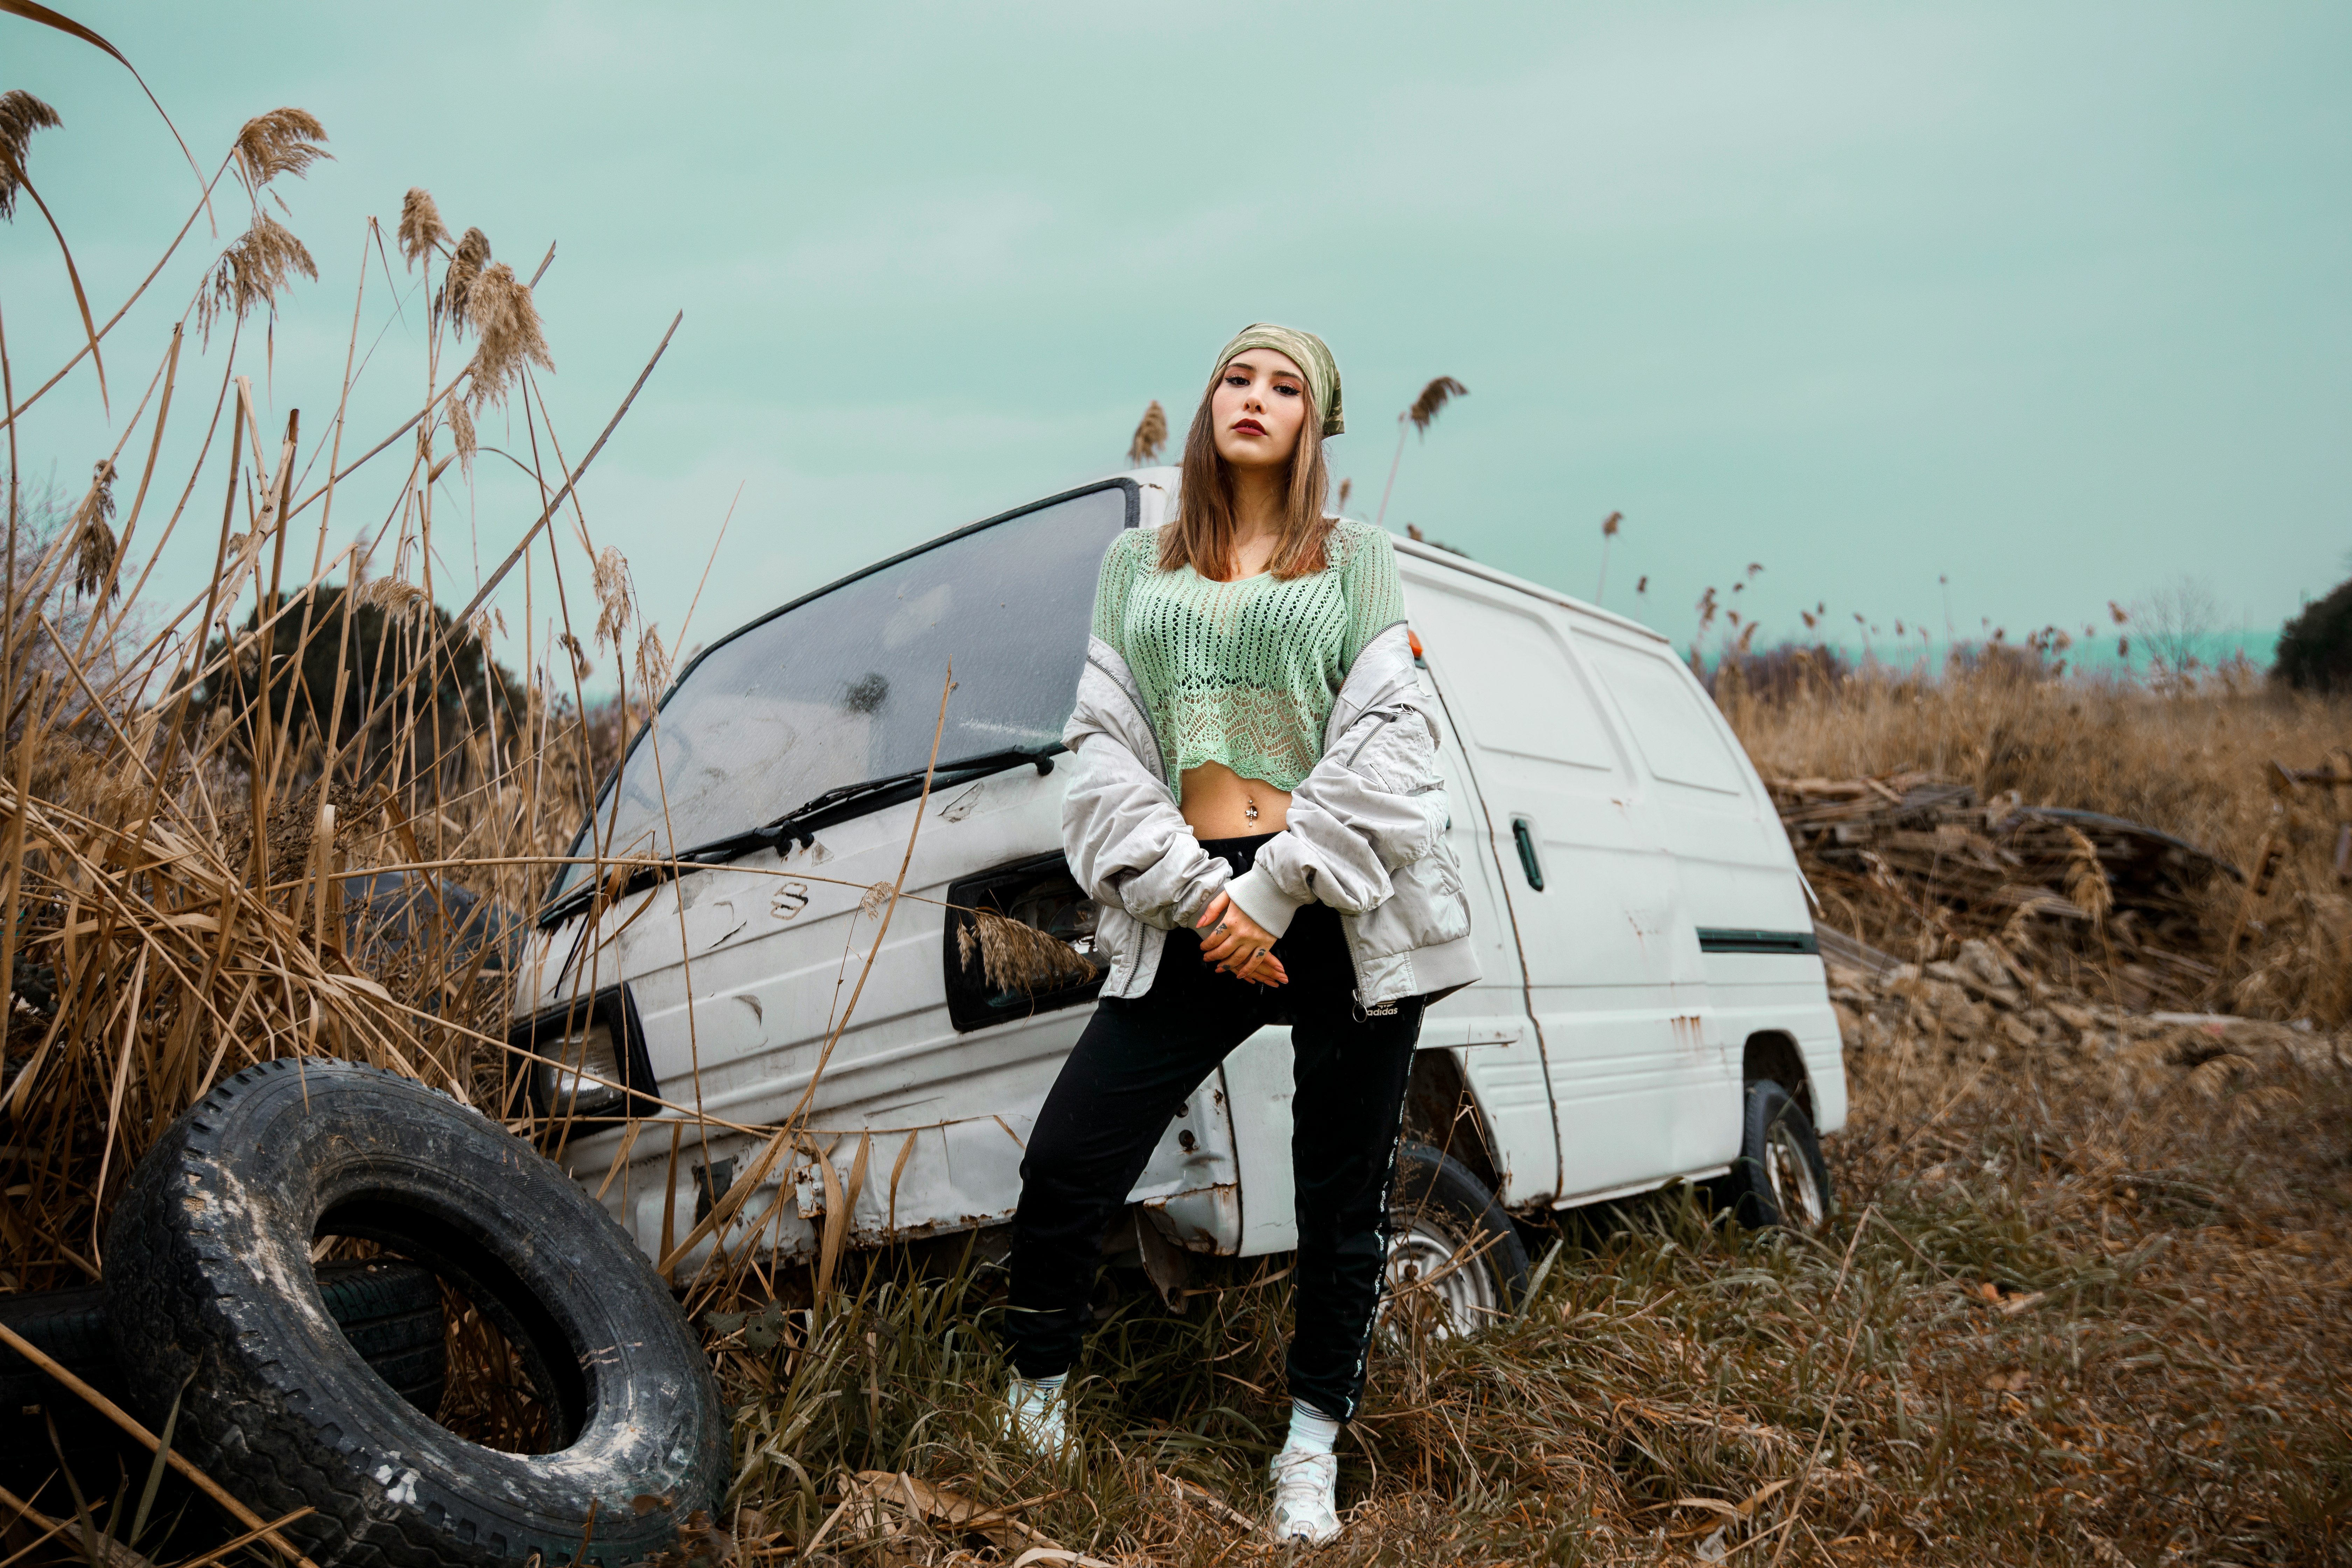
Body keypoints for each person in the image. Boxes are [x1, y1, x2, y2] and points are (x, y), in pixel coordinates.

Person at [1002, 323, 1480, 1544]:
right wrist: (1206, 895)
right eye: (1237, 376)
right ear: (1208, 401)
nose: (1255, 398)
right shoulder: (1137, 566)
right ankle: (1036, 1397)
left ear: (1316, 426)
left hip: (1337, 903)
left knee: (1342, 1197)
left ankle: (1308, 1455)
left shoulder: (1356, 560)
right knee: (1067, 1157)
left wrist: (1274, 890)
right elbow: (1103, 756)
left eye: (1287, 387)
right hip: (1190, 903)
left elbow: (1395, 750)